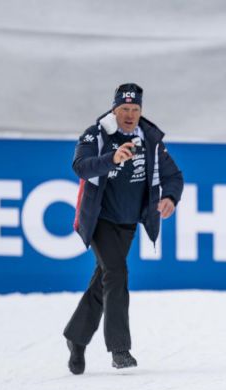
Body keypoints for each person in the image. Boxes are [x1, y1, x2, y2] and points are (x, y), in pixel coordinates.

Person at [63, 83, 184, 374]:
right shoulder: (97, 134)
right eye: (124, 109)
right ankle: (120, 349)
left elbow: (174, 176)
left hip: (128, 222)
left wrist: (170, 197)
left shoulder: (149, 138)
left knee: (103, 280)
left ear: (141, 111)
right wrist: (112, 159)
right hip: (101, 220)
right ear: (114, 109)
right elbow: (81, 166)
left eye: (135, 109)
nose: (129, 115)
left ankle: (76, 339)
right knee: (116, 274)